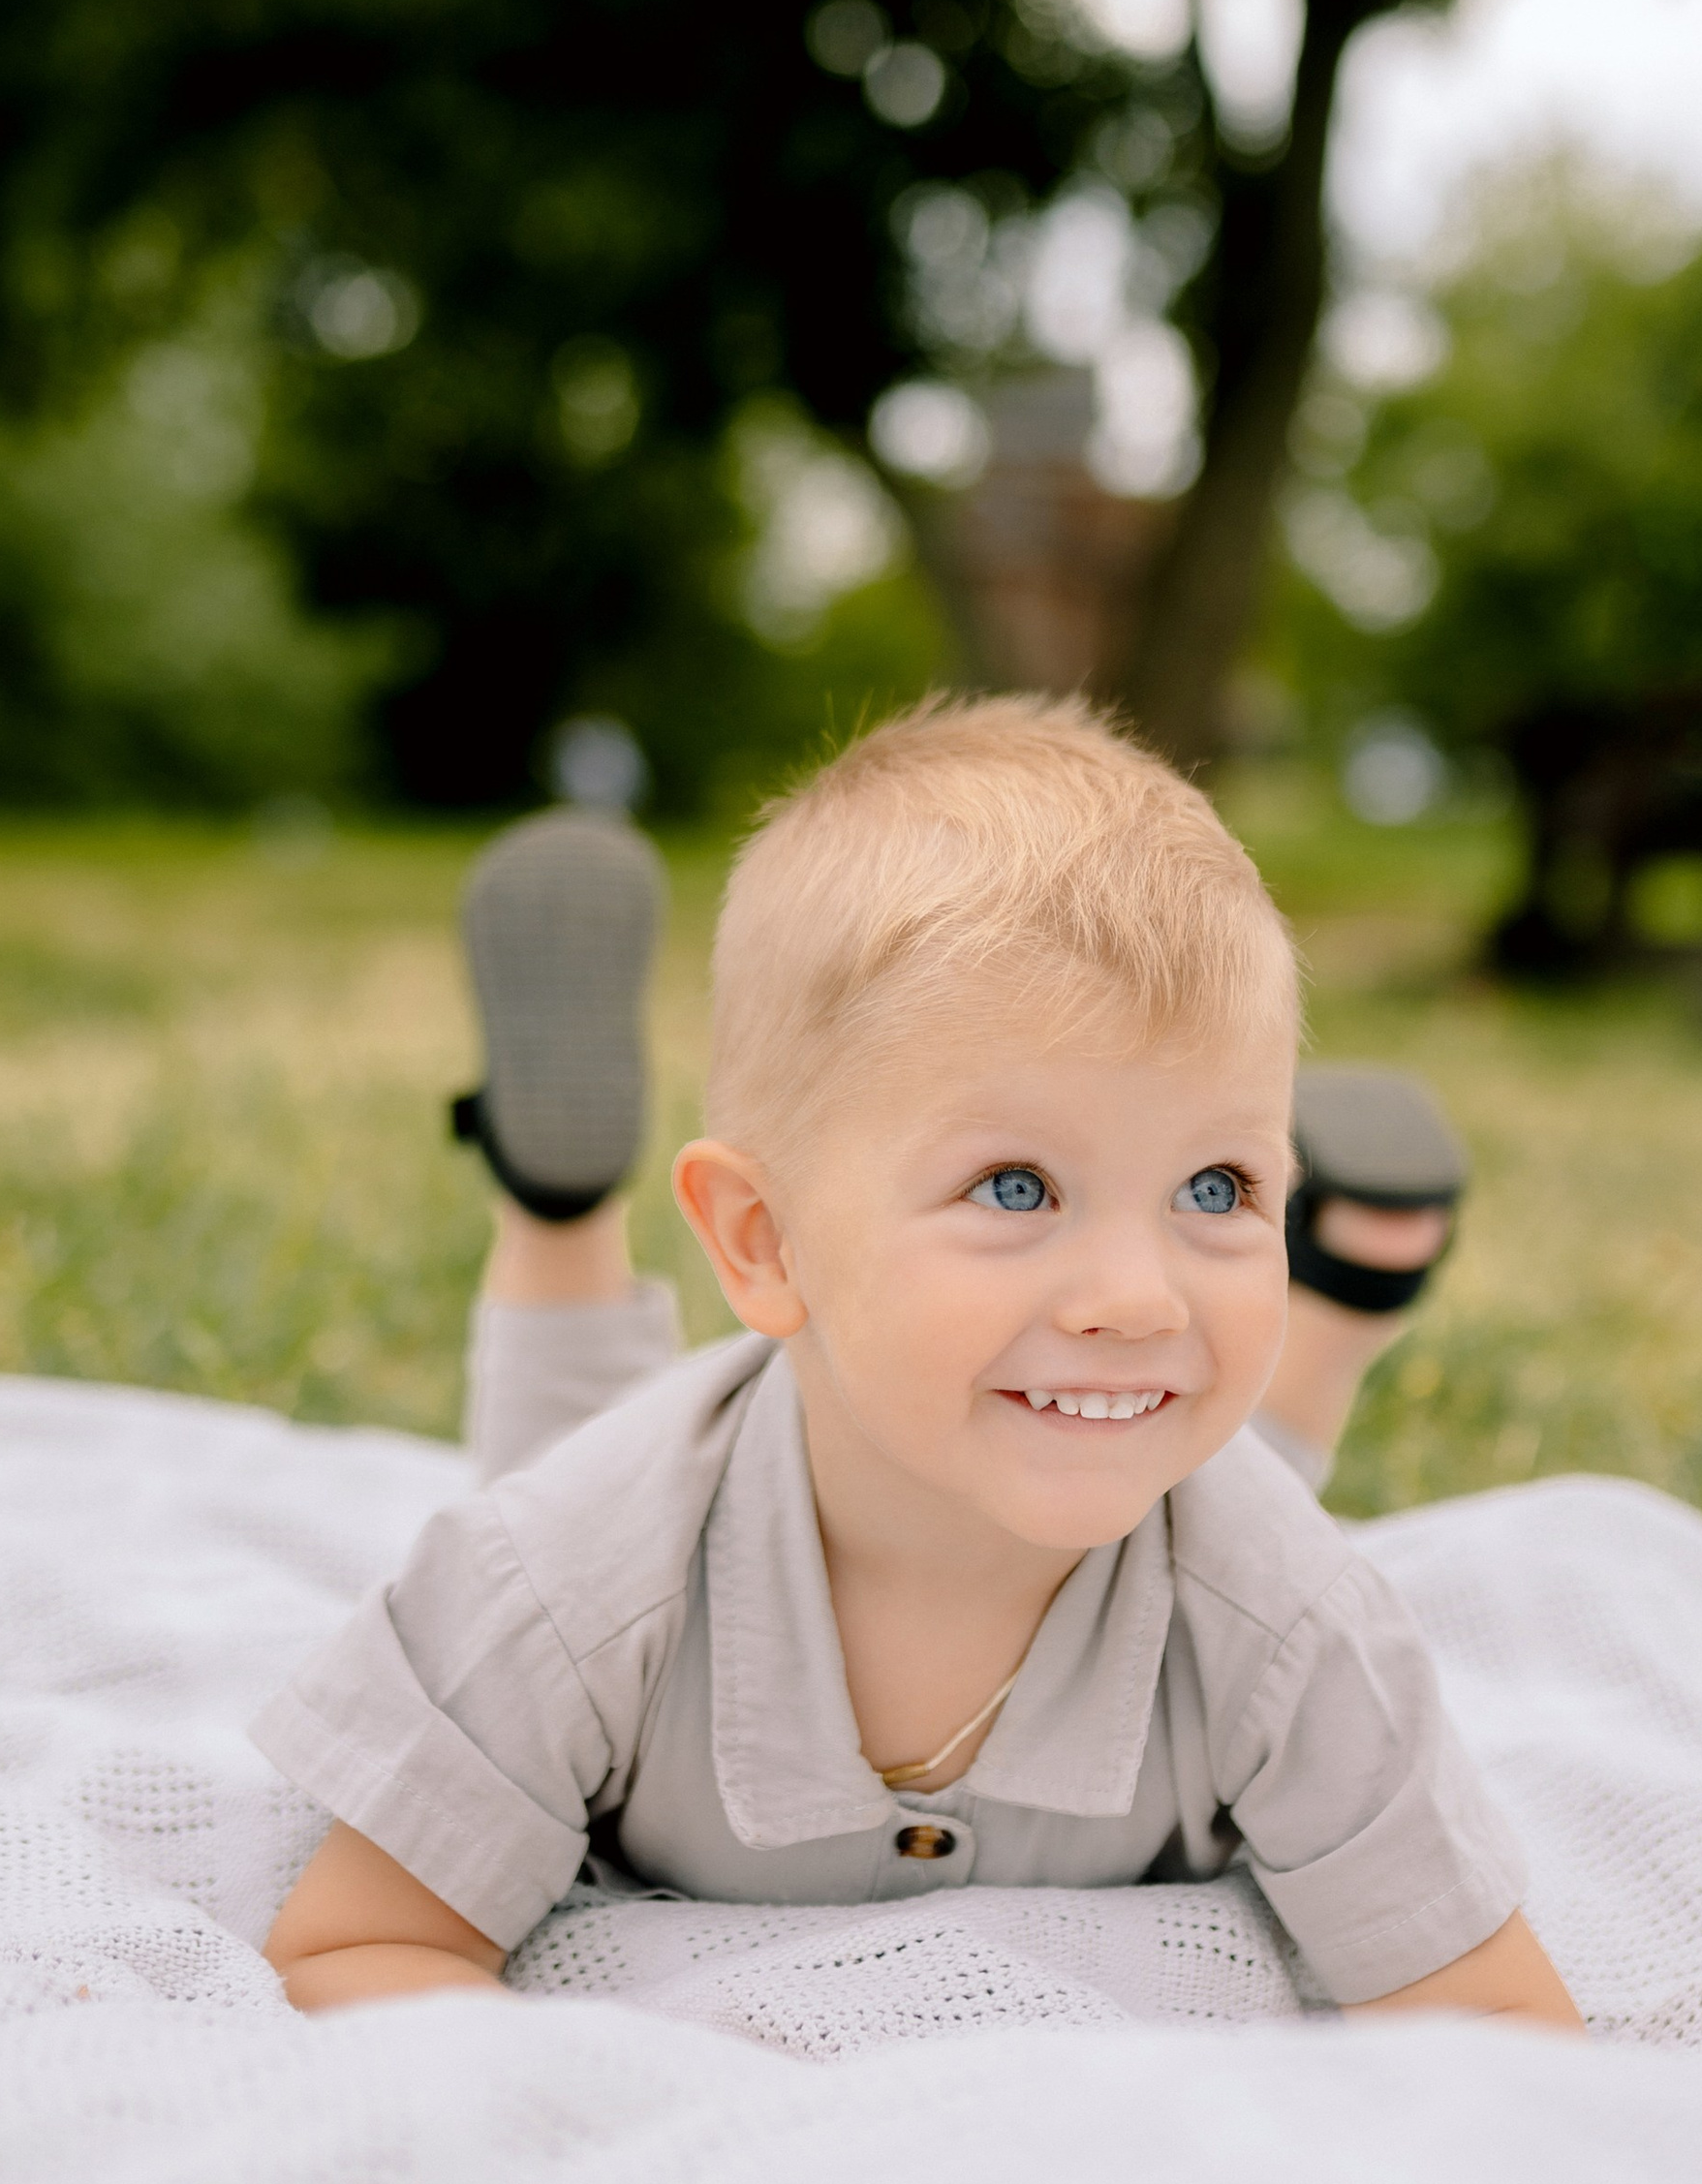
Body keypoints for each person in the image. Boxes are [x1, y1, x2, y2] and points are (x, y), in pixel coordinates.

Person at [257, 697, 1581, 2032]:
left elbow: (1496, 2030)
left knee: (1207, 1445)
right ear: (764, 1239)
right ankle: (559, 1206)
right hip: (667, 1502)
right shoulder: (567, 1589)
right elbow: (358, 1951)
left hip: (1130, 1465)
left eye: (1219, 1184)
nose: (1134, 1291)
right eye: (1015, 1187)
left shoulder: (1292, 1626)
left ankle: (1339, 1314)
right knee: (565, 1453)